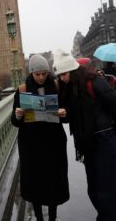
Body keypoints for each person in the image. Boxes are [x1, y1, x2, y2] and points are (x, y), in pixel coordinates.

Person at [53, 49, 116, 221]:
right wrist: (66, 114)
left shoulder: (93, 82)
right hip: (88, 144)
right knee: (95, 189)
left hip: (104, 140)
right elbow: (73, 115)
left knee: (110, 190)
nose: (62, 78)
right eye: (60, 75)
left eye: (63, 74)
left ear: (72, 70)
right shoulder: (71, 88)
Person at [11, 54, 69, 221]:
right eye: (38, 74)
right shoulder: (22, 90)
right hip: (31, 146)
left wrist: (64, 113)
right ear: (31, 73)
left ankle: (52, 216)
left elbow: (67, 115)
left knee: (53, 182)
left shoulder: (57, 87)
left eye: (44, 73)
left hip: (53, 144)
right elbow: (15, 122)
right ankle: (39, 217)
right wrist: (18, 115)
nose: (42, 77)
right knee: (35, 184)